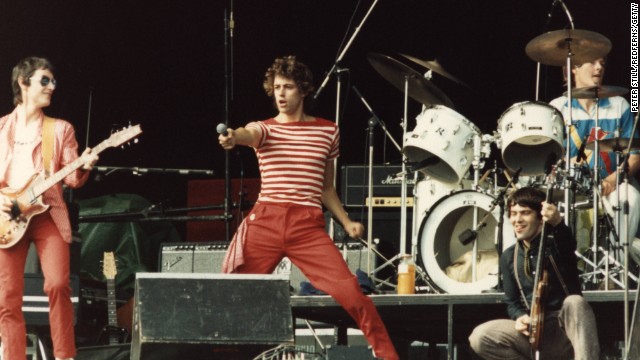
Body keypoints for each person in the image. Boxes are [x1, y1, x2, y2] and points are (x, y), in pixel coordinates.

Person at [217, 55, 399, 360]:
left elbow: (326, 187)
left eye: (287, 87)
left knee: (353, 295)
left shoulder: (328, 131)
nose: (280, 94)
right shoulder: (265, 129)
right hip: (266, 221)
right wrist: (234, 137)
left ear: (303, 90)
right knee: (231, 296)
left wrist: (345, 221)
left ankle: (388, 356)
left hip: (307, 225)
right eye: (276, 87)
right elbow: (248, 133)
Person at [0, 57, 98, 360]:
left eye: (53, 81)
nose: (52, 87)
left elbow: (70, 177)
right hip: (7, 218)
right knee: (7, 297)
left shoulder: (59, 129)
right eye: (45, 80)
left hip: (47, 216)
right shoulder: (1, 127)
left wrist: (86, 164)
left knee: (57, 284)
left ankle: (65, 356)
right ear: (23, 83)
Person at [469, 187, 599, 359]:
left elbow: (568, 244)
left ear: (540, 217)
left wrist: (558, 222)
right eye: (513, 213)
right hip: (534, 331)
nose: (517, 220)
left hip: (565, 332)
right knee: (481, 336)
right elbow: (512, 302)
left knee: (575, 302)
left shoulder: (558, 245)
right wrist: (520, 317)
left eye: (525, 213)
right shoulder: (509, 256)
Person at [548, 58, 640, 265]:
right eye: (592, 62)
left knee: (630, 197)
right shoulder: (557, 107)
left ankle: (614, 267)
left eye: (603, 63)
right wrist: (565, 164)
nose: (599, 67)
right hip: (569, 187)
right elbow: (549, 155)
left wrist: (611, 181)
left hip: (610, 185)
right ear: (573, 68)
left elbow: (634, 155)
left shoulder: (619, 105)